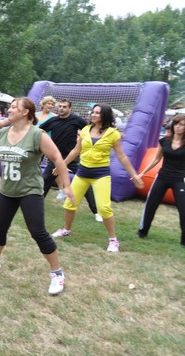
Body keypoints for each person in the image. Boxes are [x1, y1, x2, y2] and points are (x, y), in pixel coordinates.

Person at [0, 97, 75, 295]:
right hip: (7, 190)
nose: (9, 110)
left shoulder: (37, 134)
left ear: (25, 112)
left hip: (30, 191)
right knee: (0, 226)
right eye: (9, 107)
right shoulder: (2, 133)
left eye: (13, 107)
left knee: (37, 231)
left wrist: (67, 186)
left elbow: (57, 158)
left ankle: (57, 273)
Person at [51, 104, 144, 252]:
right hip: (82, 173)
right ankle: (66, 230)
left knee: (104, 208)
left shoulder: (113, 133)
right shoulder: (85, 130)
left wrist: (134, 175)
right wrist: (62, 164)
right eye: (93, 112)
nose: (93, 115)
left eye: (97, 113)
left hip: (100, 174)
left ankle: (113, 240)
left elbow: (121, 156)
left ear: (104, 115)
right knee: (70, 203)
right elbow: (76, 150)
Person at [39, 98, 100, 221]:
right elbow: (39, 130)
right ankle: (36, 206)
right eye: (60, 106)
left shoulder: (76, 120)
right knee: (45, 181)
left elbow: (90, 129)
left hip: (72, 157)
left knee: (84, 182)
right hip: (56, 158)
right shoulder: (53, 120)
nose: (61, 109)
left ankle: (96, 212)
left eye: (64, 107)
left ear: (70, 108)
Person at [137, 114, 185, 246]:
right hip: (162, 177)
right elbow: (156, 159)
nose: (179, 127)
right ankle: (142, 232)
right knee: (150, 205)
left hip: (179, 179)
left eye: (182, 125)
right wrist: (142, 173)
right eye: (177, 124)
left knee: (183, 209)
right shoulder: (164, 141)